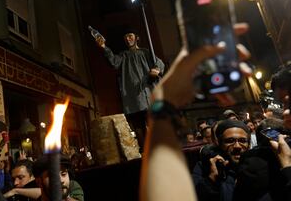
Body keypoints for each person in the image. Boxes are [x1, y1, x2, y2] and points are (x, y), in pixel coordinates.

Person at [139, 23, 251, 201]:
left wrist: (163, 100)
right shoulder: (205, 168)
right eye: (230, 141)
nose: (237, 146)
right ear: (218, 143)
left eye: (242, 141)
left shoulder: (265, 165)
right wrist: (212, 181)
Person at [95, 30, 165, 150]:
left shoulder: (146, 52)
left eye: (130, 36)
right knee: (139, 127)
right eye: (125, 37)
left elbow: (159, 64)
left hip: (148, 94)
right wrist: (104, 47)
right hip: (133, 99)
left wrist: (157, 69)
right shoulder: (124, 55)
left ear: (136, 37)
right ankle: (144, 152)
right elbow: (114, 62)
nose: (128, 39)